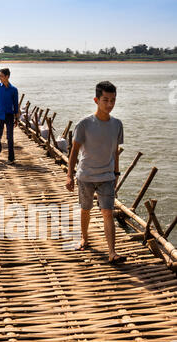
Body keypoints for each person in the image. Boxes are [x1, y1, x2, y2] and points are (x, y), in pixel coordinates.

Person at [66, 81, 127, 264]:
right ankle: (84, 238)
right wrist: (69, 175)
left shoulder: (117, 124)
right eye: (105, 100)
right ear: (96, 100)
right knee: (85, 209)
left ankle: (112, 252)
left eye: (113, 100)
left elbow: (115, 151)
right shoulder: (84, 124)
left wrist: (116, 173)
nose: (110, 104)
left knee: (107, 211)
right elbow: (74, 151)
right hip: (85, 176)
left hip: (107, 176)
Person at [0, 68, 20, 163]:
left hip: (9, 115)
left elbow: (15, 105)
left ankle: (11, 157)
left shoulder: (14, 90)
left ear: (7, 77)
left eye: (1, 76)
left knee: (10, 137)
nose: (0, 78)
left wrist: (17, 118)